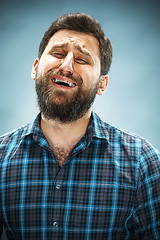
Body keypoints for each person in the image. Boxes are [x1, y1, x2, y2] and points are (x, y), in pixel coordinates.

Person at [0, 12, 160, 240]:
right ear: (35, 68)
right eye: (58, 53)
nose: (66, 66)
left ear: (101, 84)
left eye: (82, 59)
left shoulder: (142, 162)